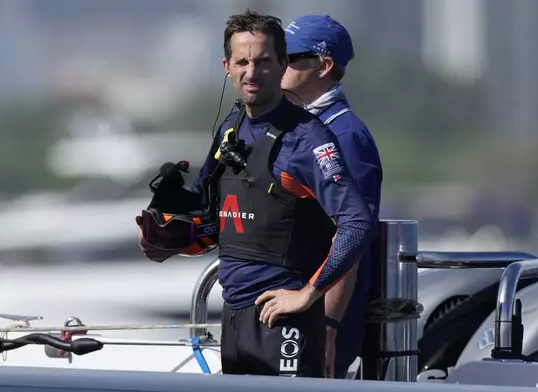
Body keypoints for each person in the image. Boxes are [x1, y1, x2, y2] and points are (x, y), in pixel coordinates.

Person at [137, 9, 376, 378]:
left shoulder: (310, 138)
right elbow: (215, 215)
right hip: (233, 315)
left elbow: (358, 224)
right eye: (242, 62)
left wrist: (310, 296)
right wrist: (167, 235)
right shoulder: (230, 129)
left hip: (285, 321)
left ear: (281, 65)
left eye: (264, 61)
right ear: (227, 67)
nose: (252, 72)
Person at [281, 15, 383, 378]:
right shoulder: (299, 126)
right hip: (293, 311)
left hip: (318, 322)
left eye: (289, 57)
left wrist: (328, 328)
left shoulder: (346, 135)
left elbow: (350, 234)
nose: (278, 65)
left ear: (324, 66)